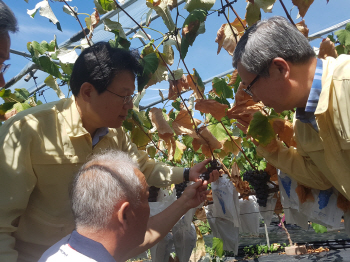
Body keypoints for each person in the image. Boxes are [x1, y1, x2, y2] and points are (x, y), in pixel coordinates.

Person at [0, 41, 220, 262]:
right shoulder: (27, 132)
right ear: (88, 92)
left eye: (131, 97)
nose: (129, 105)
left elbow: (143, 168)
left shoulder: (115, 136)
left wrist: (186, 173)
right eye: (124, 96)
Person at [232, 16, 350, 200]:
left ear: (280, 68)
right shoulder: (303, 122)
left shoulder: (347, 83)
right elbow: (320, 178)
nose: (253, 97)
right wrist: (270, 147)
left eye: (250, 87)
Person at [39, 150, 208, 262]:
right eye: (146, 198)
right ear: (125, 214)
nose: (149, 207)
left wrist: (185, 202)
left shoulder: (64, 250)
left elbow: (146, 236)